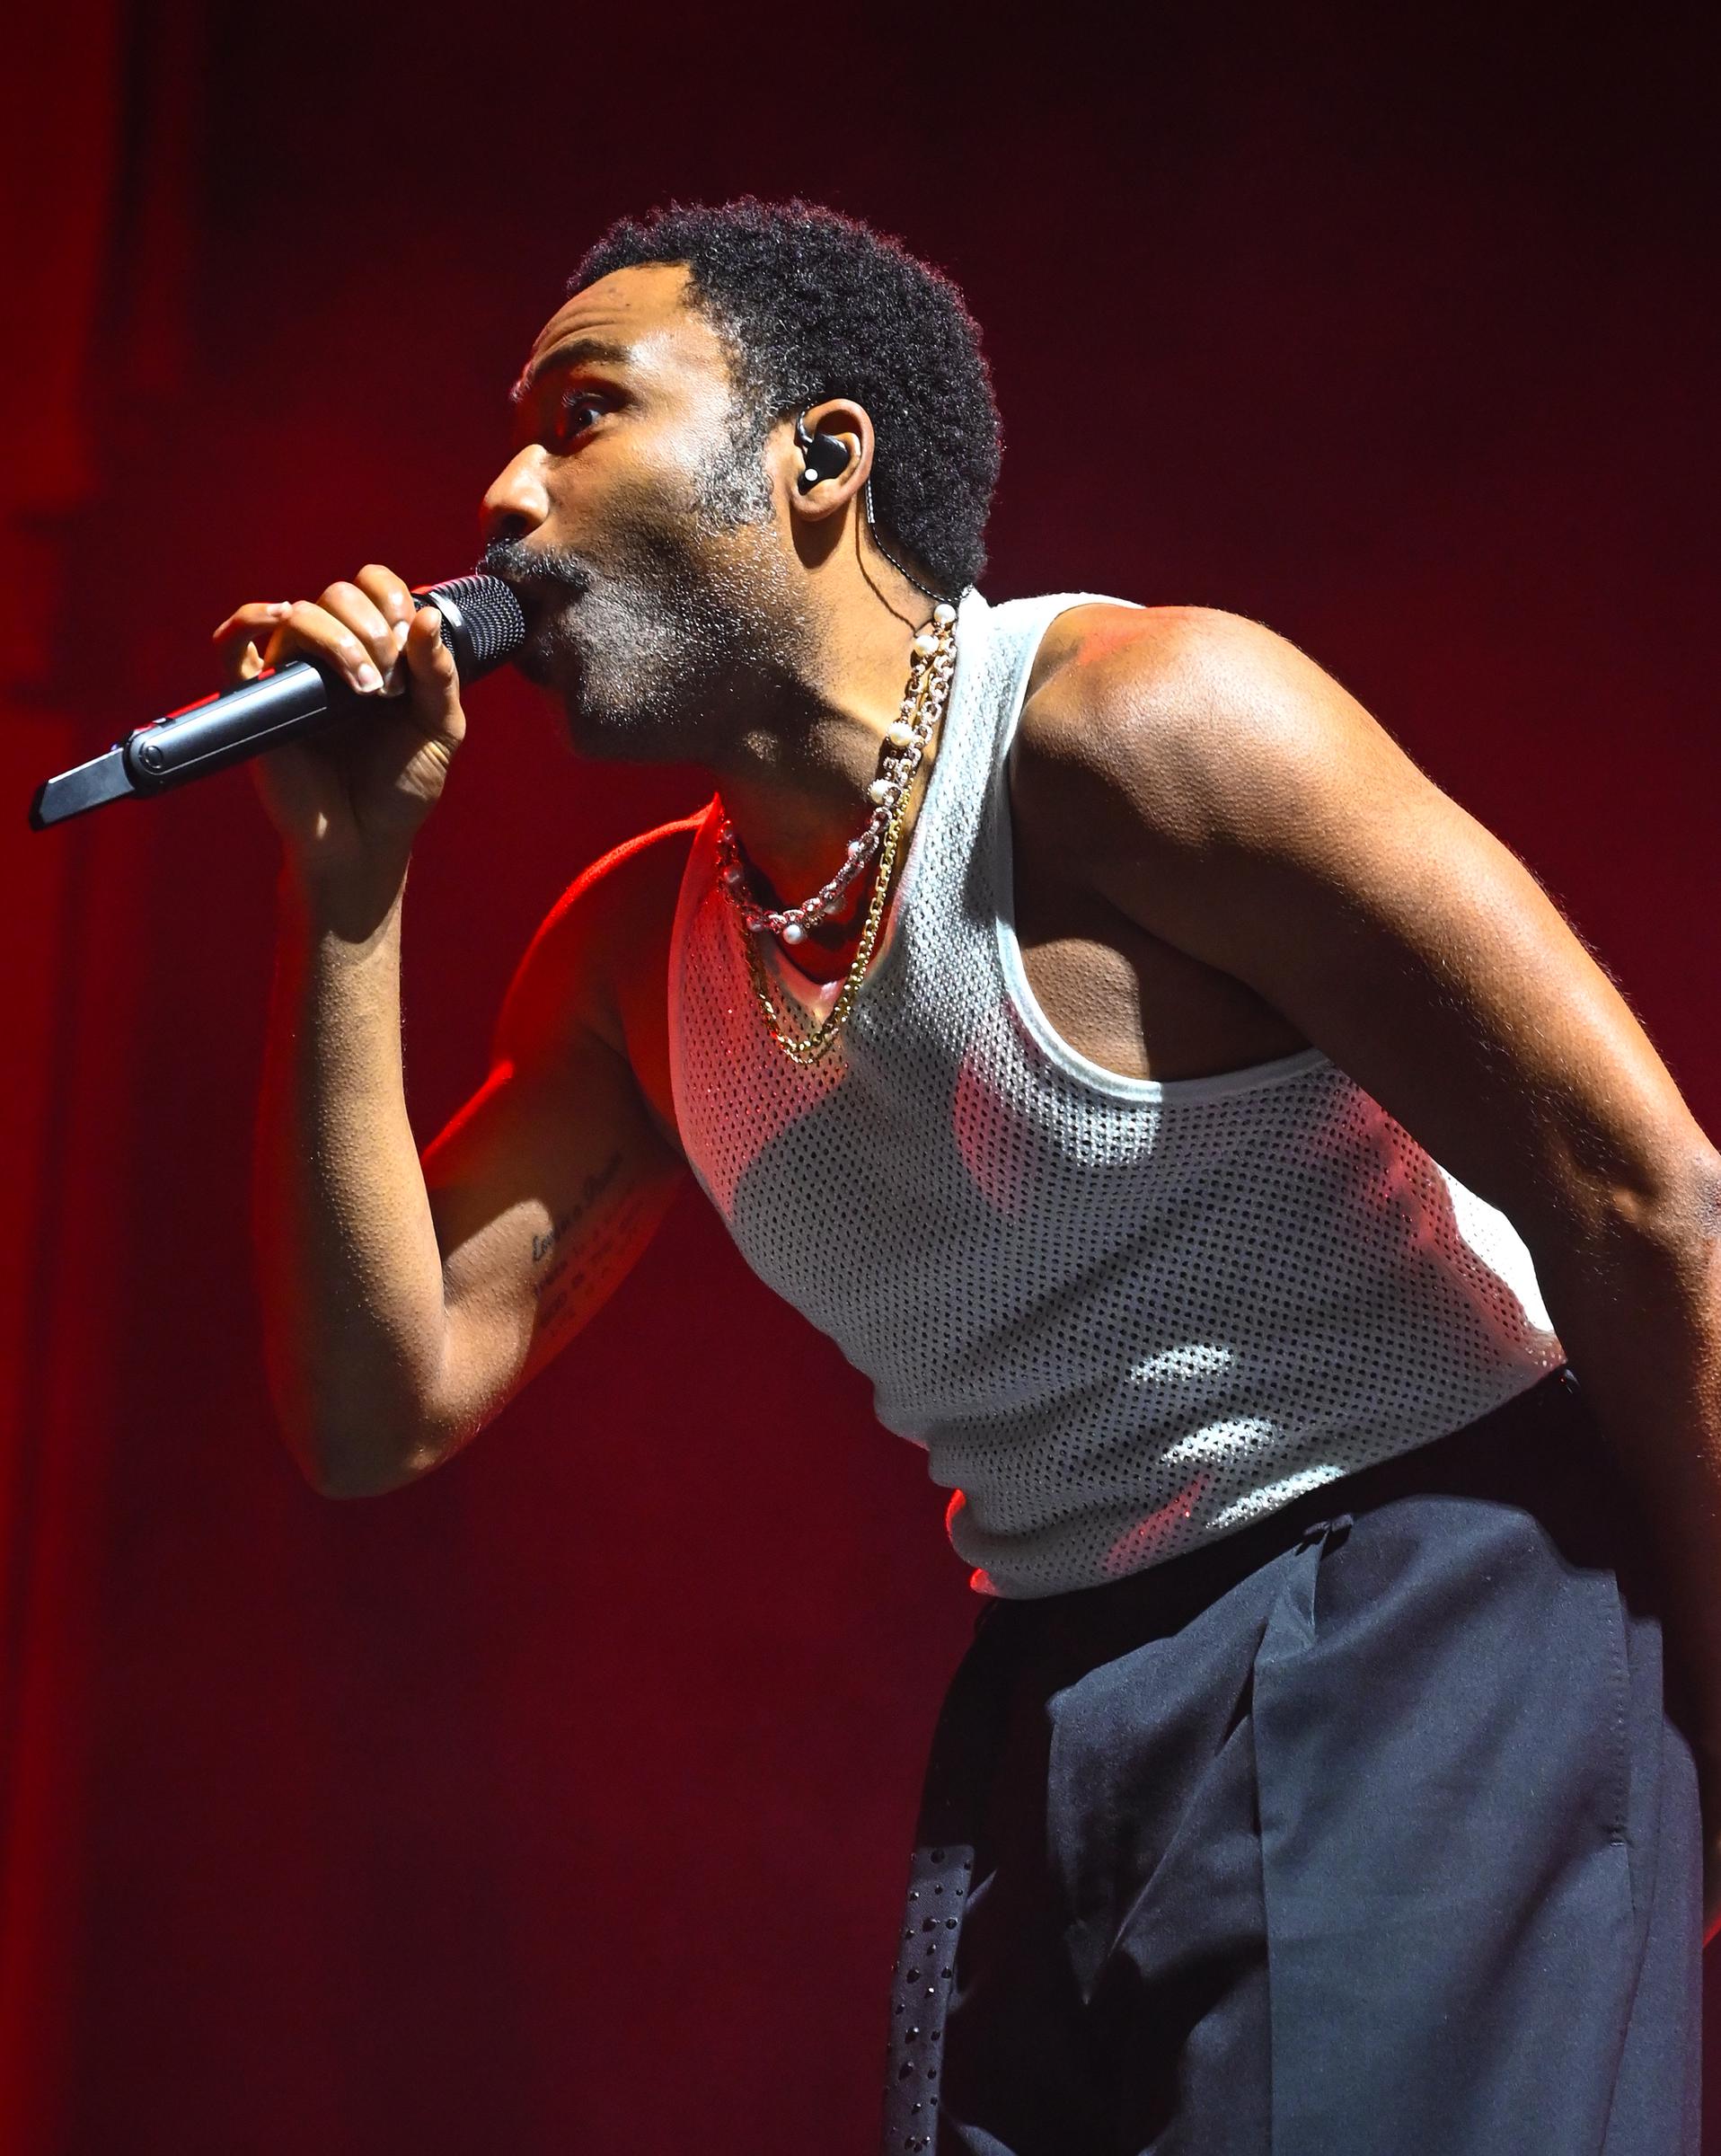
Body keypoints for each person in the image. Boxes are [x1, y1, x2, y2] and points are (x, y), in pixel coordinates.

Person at [222, 198, 1717, 2152]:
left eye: (581, 414)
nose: (503, 496)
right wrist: (347, 902)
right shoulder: (630, 963)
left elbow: (1646, 1204)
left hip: (1426, 1601)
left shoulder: (1136, 732)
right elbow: (373, 1408)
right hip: (1062, 1680)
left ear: (817, 459)